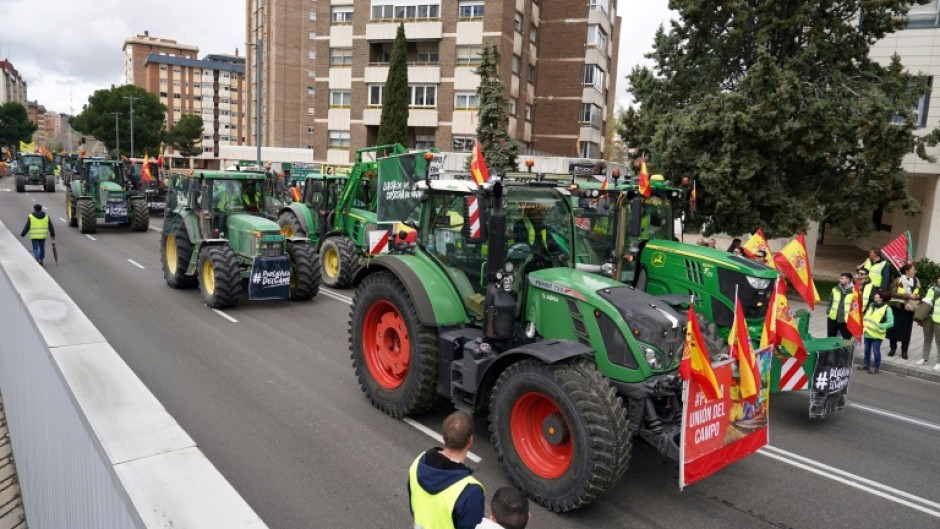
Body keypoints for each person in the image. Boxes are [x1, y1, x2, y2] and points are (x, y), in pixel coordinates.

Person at [409, 411, 485, 529]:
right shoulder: (470, 491)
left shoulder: (419, 462)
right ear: (470, 441)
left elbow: (414, 505)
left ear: (444, 436)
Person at [887, 264, 920, 359]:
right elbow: (892, 293)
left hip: (909, 309)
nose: (915, 271)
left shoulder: (916, 280)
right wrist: (907, 296)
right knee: (894, 328)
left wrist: (917, 297)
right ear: (907, 271)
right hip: (897, 308)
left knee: (906, 330)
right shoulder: (898, 280)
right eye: (913, 269)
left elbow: (918, 293)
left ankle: (904, 350)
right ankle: (893, 348)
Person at [861, 289, 894, 374]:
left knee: (876, 351)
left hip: (877, 334)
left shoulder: (887, 308)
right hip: (867, 332)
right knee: (866, 350)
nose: (875, 295)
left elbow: (891, 323)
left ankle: (876, 367)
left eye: (877, 294)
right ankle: (866, 364)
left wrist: (880, 326)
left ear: (881, 298)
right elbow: (867, 317)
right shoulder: (871, 305)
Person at [916, 276, 940, 371]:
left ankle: (939, 362)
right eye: (939, 278)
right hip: (928, 317)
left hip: (938, 319)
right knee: (927, 339)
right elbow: (926, 301)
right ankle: (924, 358)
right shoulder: (931, 289)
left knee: (939, 342)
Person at [827, 273, 855, 339]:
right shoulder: (835, 289)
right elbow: (830, 301)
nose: (840, 279)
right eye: (840, 278)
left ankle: (845, 349)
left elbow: (856, 307)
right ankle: (831, 349)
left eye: (842, 278)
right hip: (833, 318)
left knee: (846, 338)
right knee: (830, 338)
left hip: (846, 320)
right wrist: (828, 311)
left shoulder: (855, 292)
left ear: (848, 280)